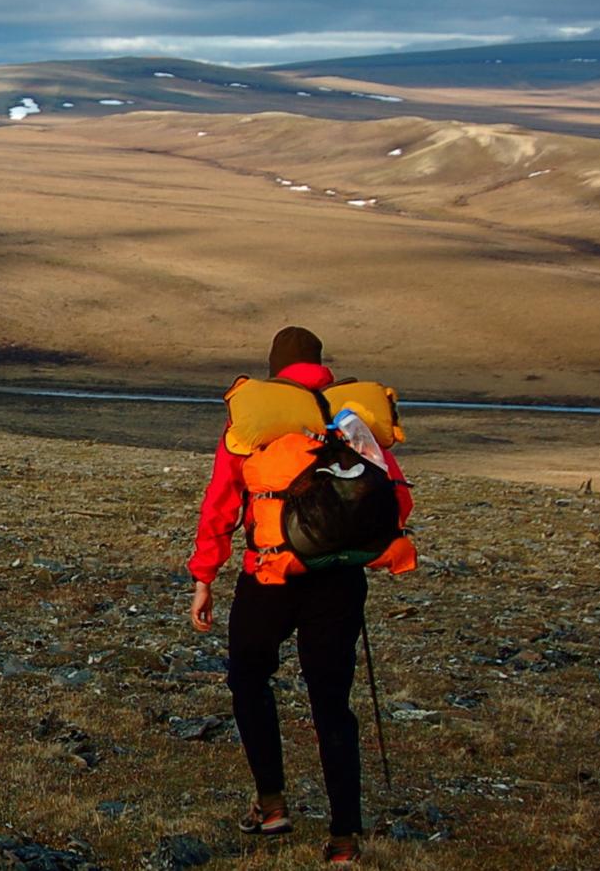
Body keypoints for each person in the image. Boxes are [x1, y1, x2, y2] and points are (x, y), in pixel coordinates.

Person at [187, 327, 413, 864]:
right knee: (332, 703)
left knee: (248, 677)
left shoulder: (255, 419)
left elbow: (222, 502)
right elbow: (396, 500)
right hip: (340, 579)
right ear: (320, 366)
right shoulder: (354, 417)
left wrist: (204, 577)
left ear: (275, 367)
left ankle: (271, 805)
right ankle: (344, 838)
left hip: (268, 574)